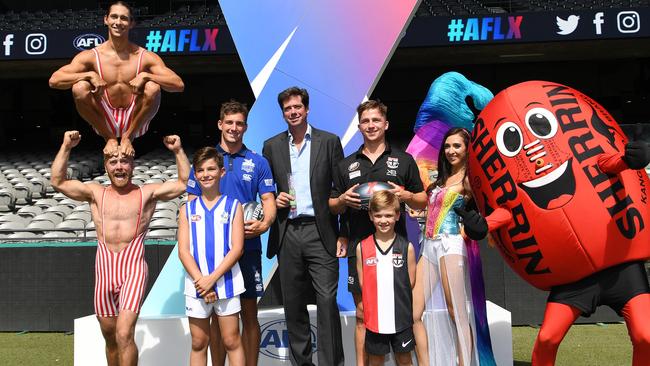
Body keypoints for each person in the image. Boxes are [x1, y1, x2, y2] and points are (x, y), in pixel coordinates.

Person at [50, 130, 190, 366]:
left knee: (124, 333)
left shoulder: (146, 193)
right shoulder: (96, 193)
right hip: (104, 269)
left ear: (132, 165)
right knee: (111, 337)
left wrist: (178, 151)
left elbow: (185, 182)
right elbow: (58, 181)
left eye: (124, 161)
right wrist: (66, 146)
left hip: (133, 268)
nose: (119, 166)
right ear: (106, 166)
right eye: (113, 161)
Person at [330, 100, 426, 366]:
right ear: (359, 126)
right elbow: (332, 204)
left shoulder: (404, 160)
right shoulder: (345, 165)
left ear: (385, 124)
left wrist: (406, 195)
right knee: (363, 315)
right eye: (365, 121)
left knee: (399, 314)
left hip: (396, 247)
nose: (370, 125)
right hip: (360, 248)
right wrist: (342, 202)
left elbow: (421, 200)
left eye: (375, 120)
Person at [186, 101, 277, 366]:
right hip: (211, 254)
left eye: (239, 123)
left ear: (245, 127)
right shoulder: (206, 160)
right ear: (220, 124)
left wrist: (264, 224)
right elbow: (192, 203)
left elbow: (268, 201)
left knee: (249, 315)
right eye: (229, 123)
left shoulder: (257, 162)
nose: (234, 128)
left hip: (247, 249)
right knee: (215, 317)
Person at [262, 86, 345, 366]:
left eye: (297, 107)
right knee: (294, 306)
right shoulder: (271, 146)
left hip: (321, 232)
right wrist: (275, 198)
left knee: (326, 302)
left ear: (307, 109)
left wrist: (342, 232)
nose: (293, 112)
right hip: (288, 232)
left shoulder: (329, 141)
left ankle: (331, 363)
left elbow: (340, 189)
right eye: (287, 109)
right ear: (282, 113)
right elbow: (266, 190)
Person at [49, 1, 184, 157]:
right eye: (114, 17)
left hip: (135, 118)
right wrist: (89, 75)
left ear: (131, 23)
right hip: (103, 118)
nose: (118, 22)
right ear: (106, 19)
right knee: (79, 87)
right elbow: (54, 80)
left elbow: (178, 84)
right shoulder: (92, 56)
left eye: (124, 18)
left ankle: (128, 137)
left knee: (153, 86)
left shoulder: (145, 56)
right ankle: (110, 138)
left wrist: (146, 75)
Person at [416, 127, 494, 366]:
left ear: (467, 148)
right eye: (448, 146)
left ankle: (464, 363)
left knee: (456, 312)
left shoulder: (469, 180)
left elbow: (489, 206)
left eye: (457, 146)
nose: (451, 151)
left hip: (450, 245)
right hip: (428, 245)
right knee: (412, 312)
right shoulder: (441, 178)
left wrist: (473, 226)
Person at [178, 147, 246, 366]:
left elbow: (237, 249)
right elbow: (184, 251)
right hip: (196, 285)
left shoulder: (234, 206)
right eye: (200, 170)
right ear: (195, 175)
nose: (206, 174)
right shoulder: (186, 209)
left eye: (211, 169)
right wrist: (202, 281)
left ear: (221, 172)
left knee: (231, 340)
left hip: (226, 283)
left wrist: (212, 279)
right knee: (199, 342)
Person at [357, 190, 417, 366]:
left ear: (397, 216)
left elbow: (410, 282)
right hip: (375, 319)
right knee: (376, 361)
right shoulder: (362, 247)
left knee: (405, 360)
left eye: (389, 215)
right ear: (371, 216)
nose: (383, 220)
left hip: (401, 318)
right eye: (379, 215)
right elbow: (363, 283)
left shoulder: (407, 247)